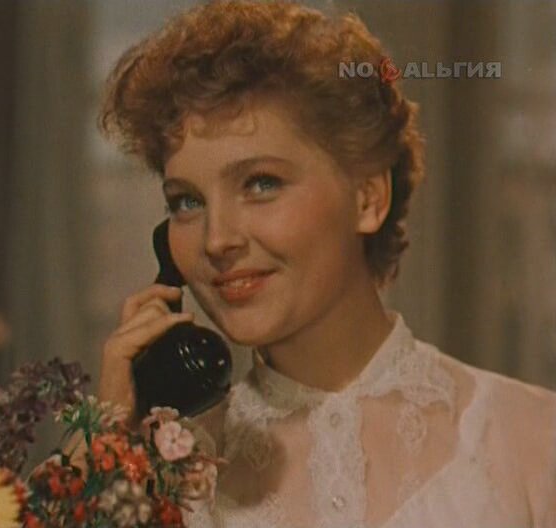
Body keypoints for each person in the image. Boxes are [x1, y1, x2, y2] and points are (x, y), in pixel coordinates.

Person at [94, 1, 556, 526]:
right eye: (186, 202)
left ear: (368, 199)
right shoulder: (164, 477)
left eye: (261, 183)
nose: (217, 239)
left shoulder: (532, 441)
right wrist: (109, 458)